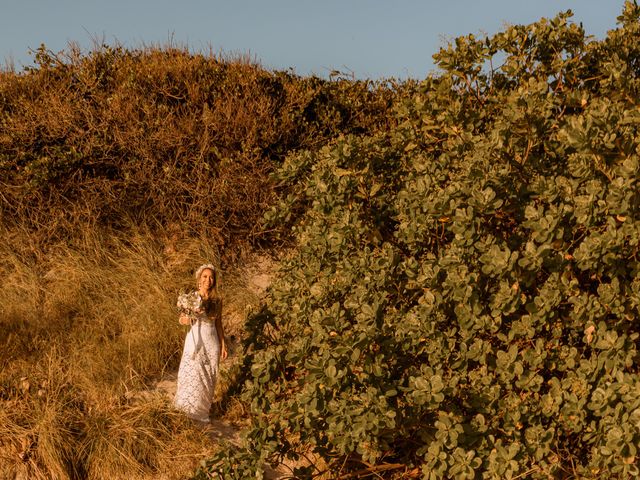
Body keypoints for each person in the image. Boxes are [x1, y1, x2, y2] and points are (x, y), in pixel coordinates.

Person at [173, 263, 227, 423]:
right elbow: (182, 319)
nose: (208, 280)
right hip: (195, 341)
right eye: (205, 276)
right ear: (199, 279)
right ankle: (187, 410)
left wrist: (223, 344)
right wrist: (189, 317)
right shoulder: (192, 297)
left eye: (211, 277)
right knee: (192, 373)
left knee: (208, 376)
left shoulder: (217, 300)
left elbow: (219, 324)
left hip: (212, 341)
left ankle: (202, 411)